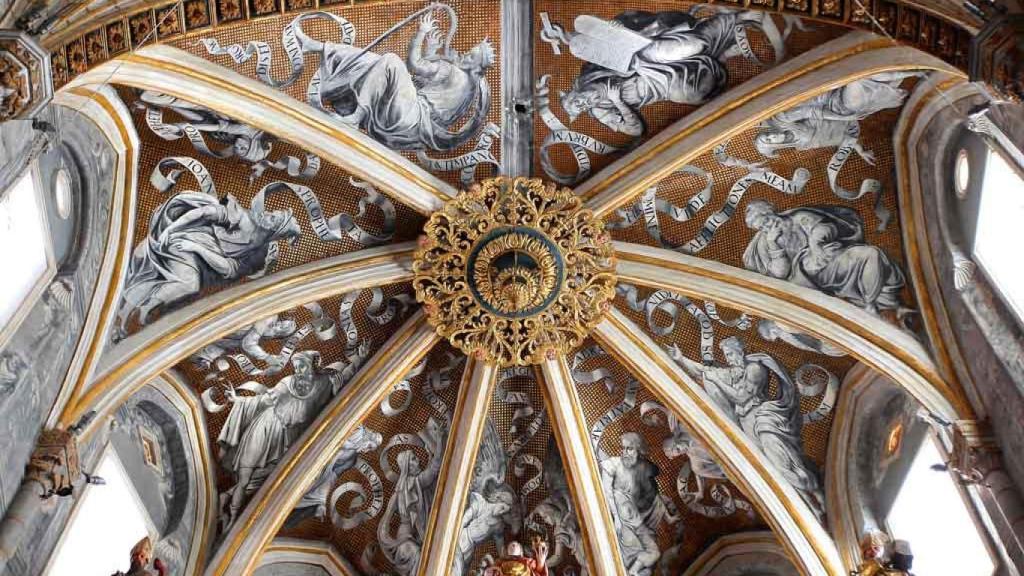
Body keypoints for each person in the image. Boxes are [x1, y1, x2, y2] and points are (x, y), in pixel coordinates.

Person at [677, 337, 825, 519]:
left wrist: (717, 379)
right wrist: (681, 359)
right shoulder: (733, 373)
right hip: (746, 425)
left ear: (740, 351)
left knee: (782, 462)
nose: (729, 358)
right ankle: (811, 508)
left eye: (730, 353)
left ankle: (816, 489)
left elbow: (741, 397)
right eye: (726, 355)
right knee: (775, 471)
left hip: (763, 419)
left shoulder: (754, 369)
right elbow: (703, 372)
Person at [116, 193, 300, 335]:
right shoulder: (242, 217)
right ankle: (140, 309)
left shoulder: (259, 256)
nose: (267, 214)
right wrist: (171, 229)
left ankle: (134, 310)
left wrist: (198, 249)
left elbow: (228, 269)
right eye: (272, 213)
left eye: (274, 219)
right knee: (189, 283)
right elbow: (204, 212)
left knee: (184, 287)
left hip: (196, 251)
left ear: (276, 233)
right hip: (184, 241)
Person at [559, 9, 765, 136]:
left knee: (693, 46)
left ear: (574, 92)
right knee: (696, 93)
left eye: (577, 103)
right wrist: (618, 102)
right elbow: (636, 130)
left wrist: (613, 29)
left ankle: (734, 19)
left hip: (644, 55)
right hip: (659, 87)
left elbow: (593, 42)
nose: (585, 105)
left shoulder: (588, 73)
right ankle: (722, 57)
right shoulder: (601, 110)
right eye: (582, 110)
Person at [315, 11, 494, 151]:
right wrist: (430, 52)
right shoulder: (468, 91)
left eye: (471, 56)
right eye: (470, 51)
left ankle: (355, 116)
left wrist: (421, 33)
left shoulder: (454, 71)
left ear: (476, 67)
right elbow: (429, 89)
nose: (465, 54)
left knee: (390, 61)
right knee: (375, 62)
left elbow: (413, 65)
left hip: (410, 113)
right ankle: (321, 49)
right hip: (411, 130)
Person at [217, 351, 342, 528]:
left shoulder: (323, 384)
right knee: (245, 475)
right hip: (266, 426)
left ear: (313, 366)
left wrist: (359, 358)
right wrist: (238, 399)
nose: (298, 370)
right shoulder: (287, 382)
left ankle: (228, 497)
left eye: (303, 365)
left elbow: (343, 388)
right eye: (296, 366)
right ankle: (231, 520)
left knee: (271, 478)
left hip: (287, 438)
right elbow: (263, 400)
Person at [742, 200, 905, 315]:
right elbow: (780, 274)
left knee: (871, 254)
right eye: (762, 227)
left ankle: (870, 303)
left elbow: (826, 228)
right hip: (807, 279)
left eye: (766, 220)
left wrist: (815, 244)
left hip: (832, 257)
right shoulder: (765, 242)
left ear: (771, 212)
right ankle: (867, 301)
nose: (767, 226)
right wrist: (773, 245)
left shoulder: (798, 217)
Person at [754, 72, 923, 159]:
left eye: (766, 135)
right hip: (839, 108)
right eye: (769, 141)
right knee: (860, 81)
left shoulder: (779, 120)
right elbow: (835, 138)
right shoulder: (803, 143)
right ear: (776, 147)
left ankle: (913, 71)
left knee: (861, 77)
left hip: (828, 95)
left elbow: (811, 111)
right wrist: (859, 149)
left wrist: (844, 118)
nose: (771, 136)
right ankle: (914, 72)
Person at [600, 432, 671, 576]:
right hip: (622, 522)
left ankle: (634, 571)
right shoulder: (614, 464)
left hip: (636, 520)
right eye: (623, 448)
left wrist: (668, 516)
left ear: (639, 450)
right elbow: (606, 492)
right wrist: (617, 519)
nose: (625, 452)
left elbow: (654, 497)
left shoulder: (644, 469)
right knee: (628, 553)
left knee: (655, 553)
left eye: (630, 449)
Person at [484, 537, 549, 576]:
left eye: (516, 544)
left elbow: (488, 572)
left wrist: (541, 564)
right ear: (506, 552)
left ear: (521, 552)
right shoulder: (501, 562)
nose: (514, 545)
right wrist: (541, 565)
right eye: (511, 544)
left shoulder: (527, 561)